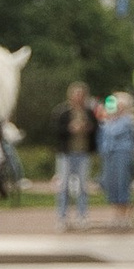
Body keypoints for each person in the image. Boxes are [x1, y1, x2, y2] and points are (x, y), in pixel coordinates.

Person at [54, 81, 96, 230]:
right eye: (76, 95)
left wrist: (87, 128)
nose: (78, 97)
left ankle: (82, 216)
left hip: (83, 153)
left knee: (83, 186)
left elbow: (96, 130)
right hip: (66, 154)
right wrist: (70, 128)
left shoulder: (89, 112)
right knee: (64, 186)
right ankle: (62, 217)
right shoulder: (63, 112)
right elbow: (56, 132)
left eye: (81, 95)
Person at [99, 93, 134, 213]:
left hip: (122, 153)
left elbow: (114, 132)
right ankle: (116, 211)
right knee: (110, 183)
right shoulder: (109, 120)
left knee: (122, 182)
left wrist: (109, 120)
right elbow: (103, 137)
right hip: (109, 154)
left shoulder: (127, 120)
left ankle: (124, 212)